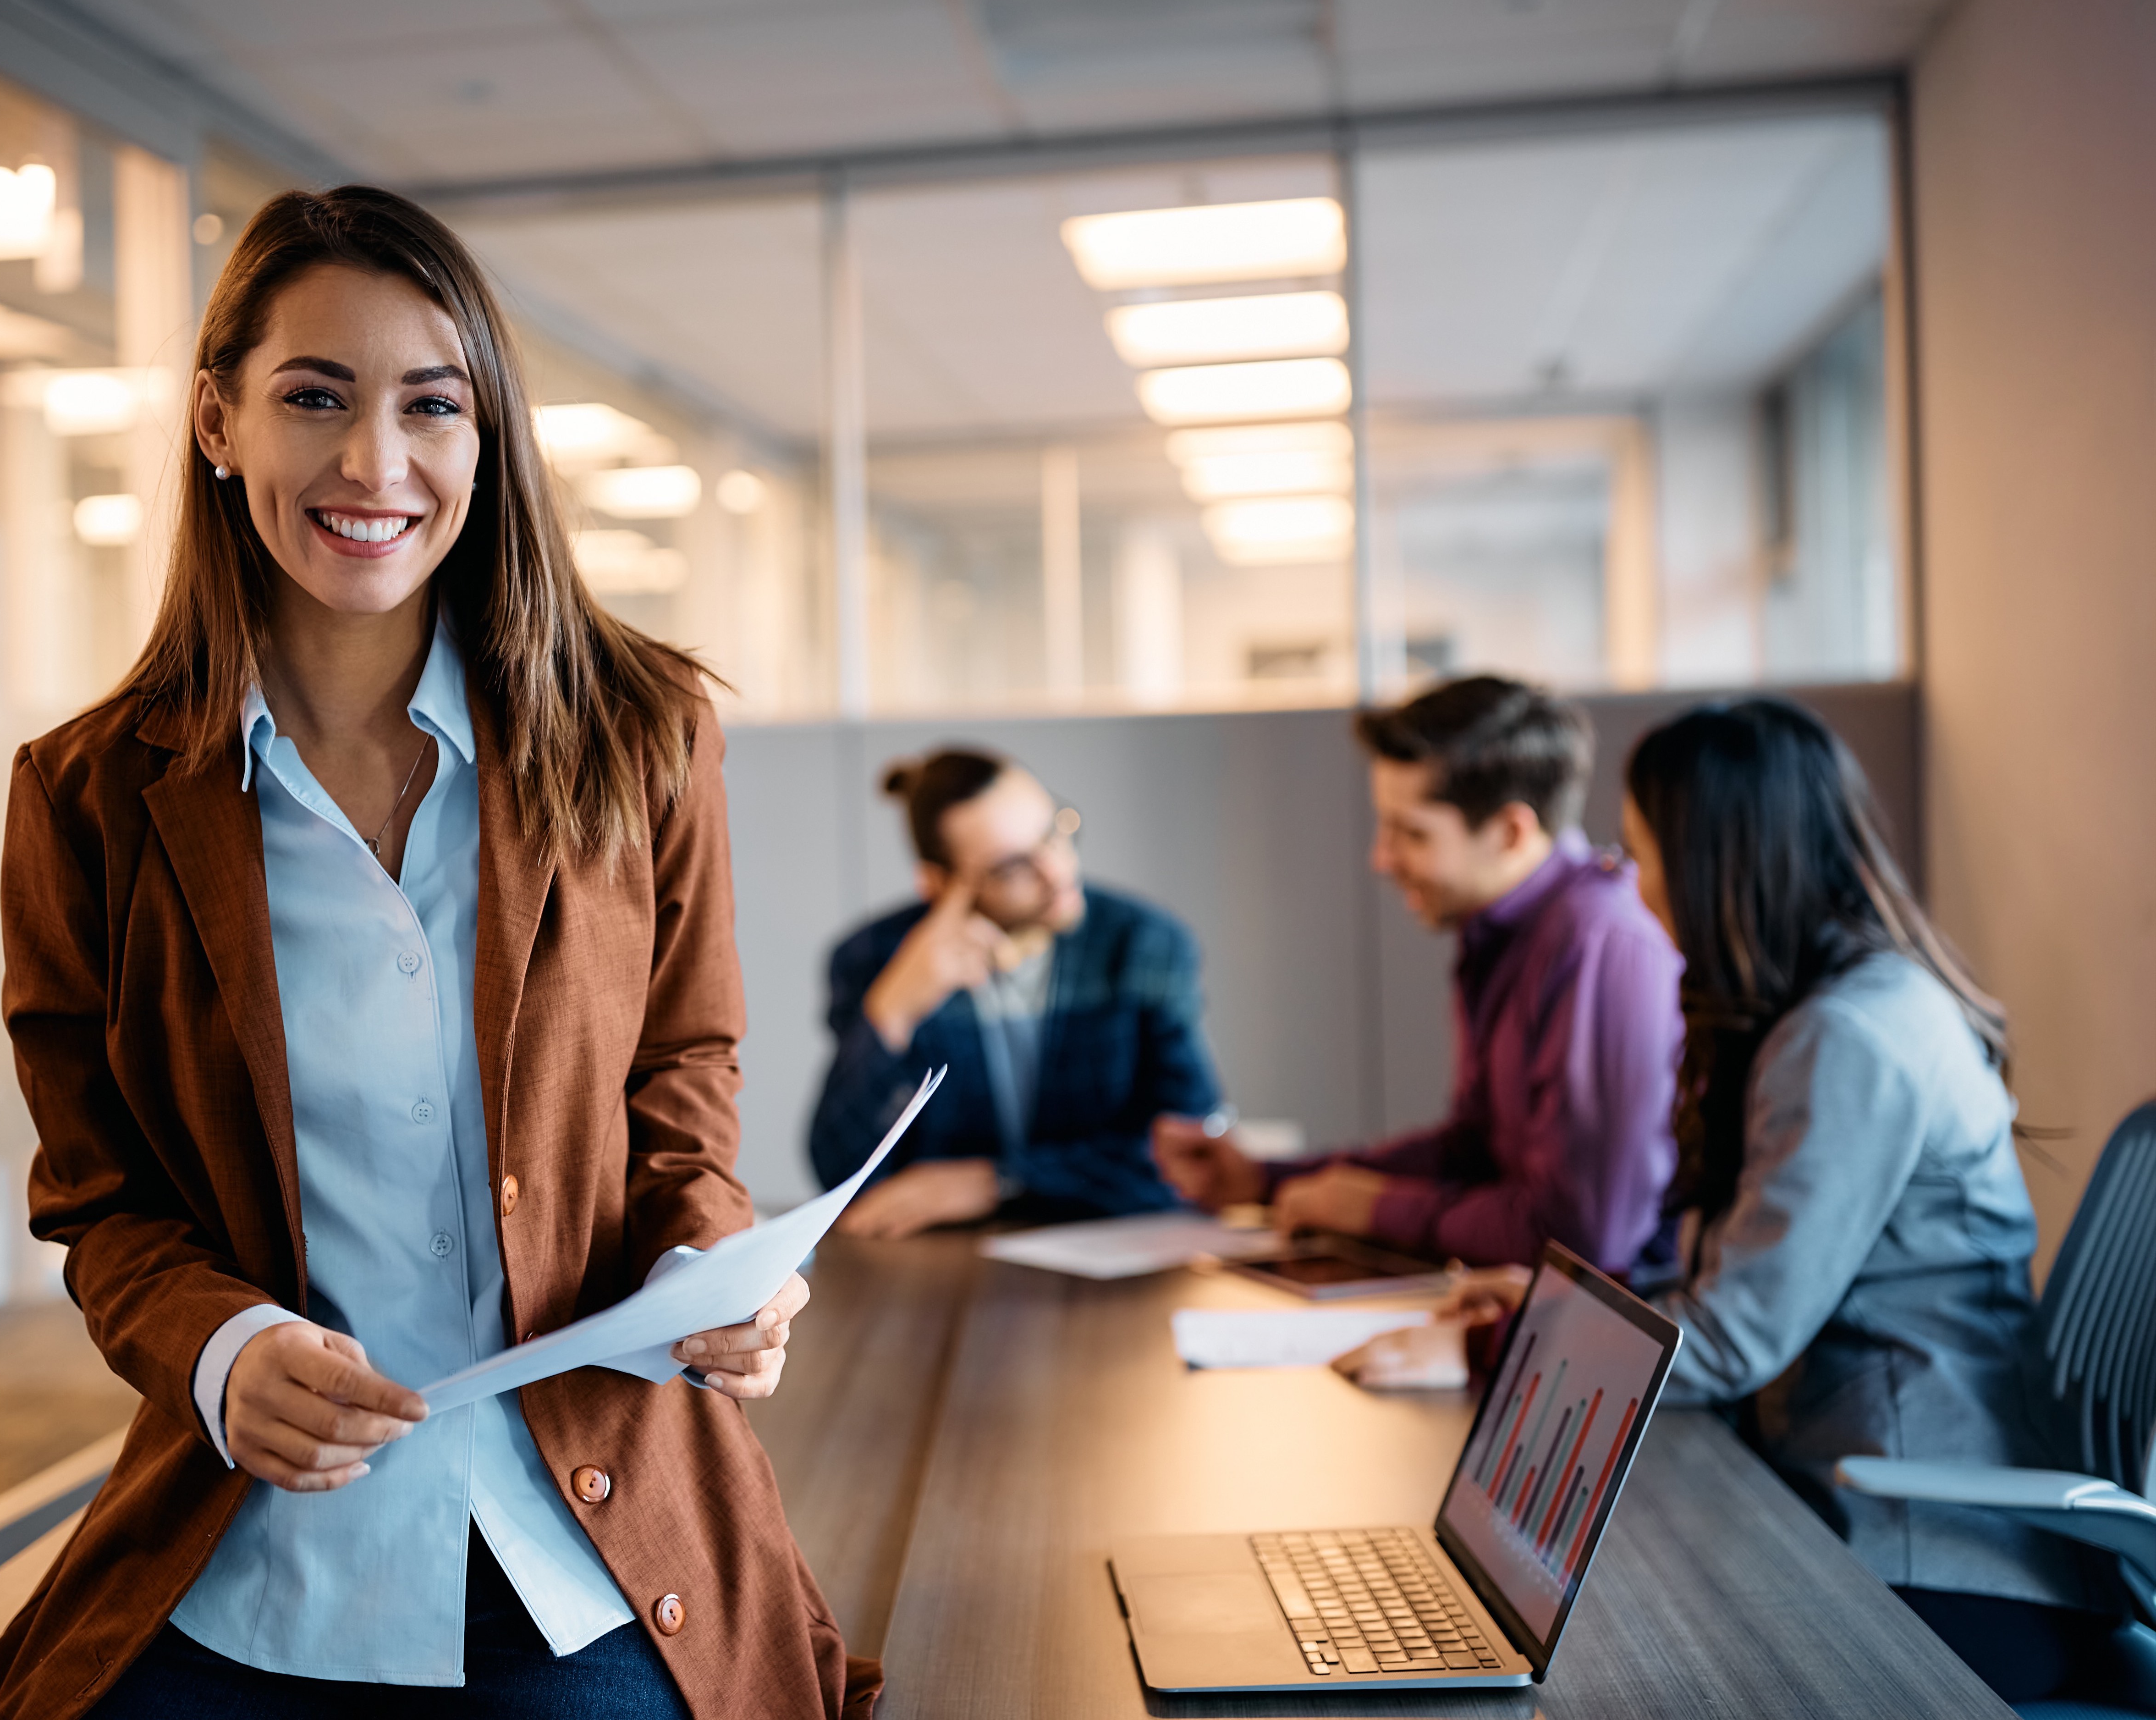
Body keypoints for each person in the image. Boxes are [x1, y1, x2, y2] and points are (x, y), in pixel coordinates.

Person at [0, 187, 872, 1720]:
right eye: (312, 397)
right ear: (216, 421)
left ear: (485, 438)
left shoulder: (642, 736)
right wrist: (220, 1348)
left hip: (574, 1538)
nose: (373, 464)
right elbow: (98, 1193)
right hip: (254, 1560)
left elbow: (682, 1073)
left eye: (430, 407)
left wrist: (710, 1252)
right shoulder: (90, 796)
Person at [1335, 699, 2118, 1705]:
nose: (1628, 877)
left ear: (1716, 862)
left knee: (1601, 1657)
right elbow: (1734, 1276)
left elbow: (1736, 1335)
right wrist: (1544, 1314)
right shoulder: (1817, 1013)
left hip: (1939, 1553)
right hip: (1854, 1491)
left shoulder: (1853, 1038)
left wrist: (1502, 1350)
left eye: (1641, 848)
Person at [1152, 676, 1681, 1274]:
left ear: (1510, 832)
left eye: (1412, 834)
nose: (1381, 858)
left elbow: (1585, 1236)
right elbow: (1474, 1151)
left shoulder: (1599, 946)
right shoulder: (1502, 930)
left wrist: (1379, 1211)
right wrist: (1266, 1180)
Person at [809, 750, 1221, 1239]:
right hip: (939, 1264)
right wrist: (893, 1012)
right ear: (939, 884)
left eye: (1053, 833)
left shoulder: (1143, 944)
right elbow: (839, 1174)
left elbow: (1194, 1157)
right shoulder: (873, 957)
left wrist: (998, 1181)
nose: (1058, 871)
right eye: (1012, 867)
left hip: (1112, 1253)